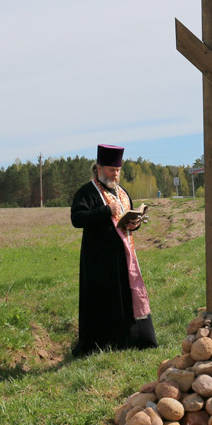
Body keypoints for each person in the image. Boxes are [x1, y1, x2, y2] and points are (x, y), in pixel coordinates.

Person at [69, 144, 157, 357]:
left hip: (123, 257)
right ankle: (100, 344)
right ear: (98, 168)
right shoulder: (87, 192)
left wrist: (135, 223)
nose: (115, 174)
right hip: (98, 259)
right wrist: (106, 210)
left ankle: (129, 340)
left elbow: (128, 217)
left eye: (117, 170)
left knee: (126, 298)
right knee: (102, 301)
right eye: (110, 170)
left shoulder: (122, 192)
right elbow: (77, 219)